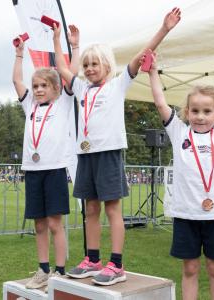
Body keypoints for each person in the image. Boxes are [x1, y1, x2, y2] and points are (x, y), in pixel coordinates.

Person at [53, 8, 181, 286]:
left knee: (112, 209)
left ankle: (117, 264)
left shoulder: (117, 84)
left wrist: (164, 29)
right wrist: (64, 42)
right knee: (90, 210)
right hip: (85, 154)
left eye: (94, 64)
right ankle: (92, 259)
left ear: (108, 67)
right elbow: (63, 70)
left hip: (109, 153)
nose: (88, 69)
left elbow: (141, 54)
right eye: (86, 65)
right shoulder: (83, 89)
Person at [147, 53, 214, 300]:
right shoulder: (178, 131)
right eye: (195, 110)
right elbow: (161, 103)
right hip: (186, 214)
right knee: (190, 267)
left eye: (207, 111)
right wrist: (152, 73)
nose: (201, 116)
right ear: (187, 111)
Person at [12, 25, 79, 291]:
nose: (38, 90)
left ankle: (59, 271)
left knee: (54, 223)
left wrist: (65, 43)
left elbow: (70, 74)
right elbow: (16, 82)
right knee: (39, 224)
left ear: (55, 88)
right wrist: (19, 55)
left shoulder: (62, 104)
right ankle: (42, 269)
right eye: (36, 86)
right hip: (33, 169)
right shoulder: (30, 105)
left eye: (44, 86)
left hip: (54, 169)